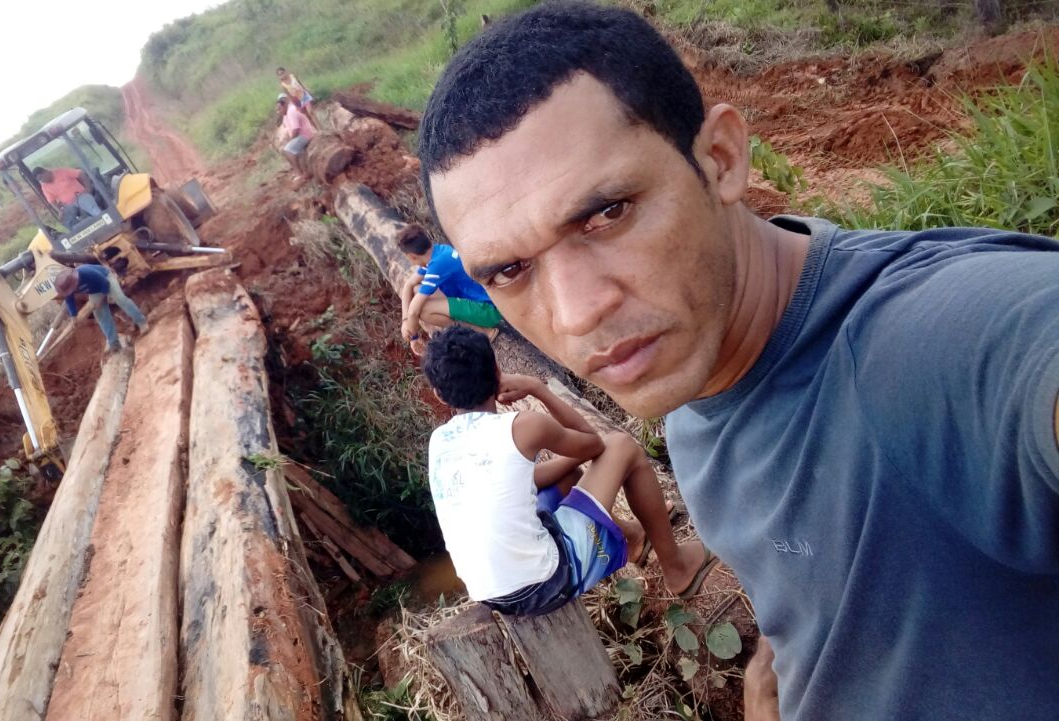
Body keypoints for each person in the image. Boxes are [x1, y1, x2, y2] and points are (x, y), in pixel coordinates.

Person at [416, 3, 1059, 720]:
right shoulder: (696, 379)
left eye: (607, 214)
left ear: (720, 159)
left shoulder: (929, 344)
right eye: (509, 270)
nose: (575, 313)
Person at [422, 326, 717, 615]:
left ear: (439, 395)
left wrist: (570, 464)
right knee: (622, 445)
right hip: (547, 582)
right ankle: (677, 569)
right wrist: (538, 389)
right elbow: (594, 444)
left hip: (496, 597)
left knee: (558, 478)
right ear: (498, 373)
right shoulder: (522, 427)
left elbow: (529, 481)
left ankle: (634, 538)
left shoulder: (439, 441)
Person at [398, 226, 502, 356]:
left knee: (424, 310)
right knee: (416, 289)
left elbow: (414, 312)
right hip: (478, 300)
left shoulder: (438, 265)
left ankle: (482, 332)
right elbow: (409, 285)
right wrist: (404, 321)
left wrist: (412, 337)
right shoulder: (437, 253)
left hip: (488, 309)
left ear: (412, 256)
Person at [53, 264, 148, 353]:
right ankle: (114, 344)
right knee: (100, 315)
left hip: (107, 279)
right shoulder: (67, 288)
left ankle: (142, 322)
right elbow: (69, 300)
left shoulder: (85, 272)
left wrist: (106, 296)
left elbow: (104, 282)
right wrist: (73, 316)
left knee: (120, 299)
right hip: (94, 290)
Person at [34, 167, 101, 230]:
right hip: (69, 205)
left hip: (80, 196)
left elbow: (81, 173)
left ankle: (102, 218)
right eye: (40, 180)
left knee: (88, 204)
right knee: (65, 218)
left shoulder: (61, 172)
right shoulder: (44, 186)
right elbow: (51, 201)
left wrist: (88, 188)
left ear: (45, 172)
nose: (42, 181)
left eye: (41, 177)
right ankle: (81, 231)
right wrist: (60, 211)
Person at [275, 94, 317, 180]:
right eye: (277, 109)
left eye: (280, 108)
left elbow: (296, 129)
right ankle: (298, 171)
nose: (279, 111)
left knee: (288, 150)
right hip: (301, 135)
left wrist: (290, 141)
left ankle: (300, 174)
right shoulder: (286, 114)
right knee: (285, 149)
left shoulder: (291, 112)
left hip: (305, 134)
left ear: (285, 105)